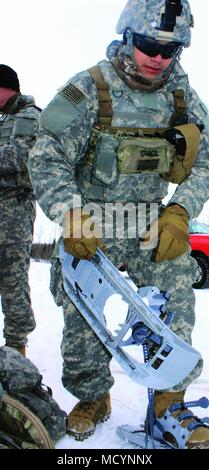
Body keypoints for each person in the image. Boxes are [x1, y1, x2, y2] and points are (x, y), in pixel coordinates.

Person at [29, 0, 209, 448]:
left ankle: (169, 404)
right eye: (149, 45)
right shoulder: (89, 88)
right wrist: (69, 212)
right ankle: (93, 397)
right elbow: (45, 152)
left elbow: (205, 159)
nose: (158, 58)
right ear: (129, 36)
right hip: (91, 221)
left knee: (174, 302)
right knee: (83, 314)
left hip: (151, 222)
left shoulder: (181, 97)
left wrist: (182, 211)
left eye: (171, 50)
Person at [0, 65, 41, 357]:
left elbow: (20, 157)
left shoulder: (29, 117)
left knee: (13, 284)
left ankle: (17, 350)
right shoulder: (5, 119)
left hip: (12, 219)